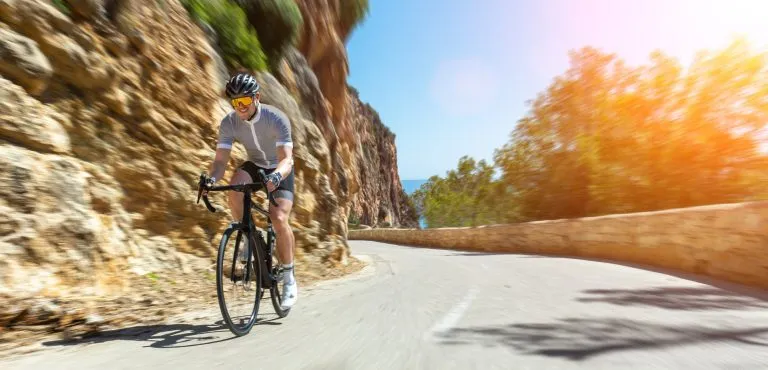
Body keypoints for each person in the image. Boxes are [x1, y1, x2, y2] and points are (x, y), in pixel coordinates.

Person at [204, 72, 298, 309]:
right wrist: (210, 180)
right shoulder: (229, 123)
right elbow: (219, 163)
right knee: (234, 189)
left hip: (279, 168)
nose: (240, 108)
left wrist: (276, 176)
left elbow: (286, 159)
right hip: (255, 164)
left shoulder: (276, 118)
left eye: (245, 101)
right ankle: (247, 235)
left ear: (257, 97)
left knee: (278, 217)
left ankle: (289, 278)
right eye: (235, 103)